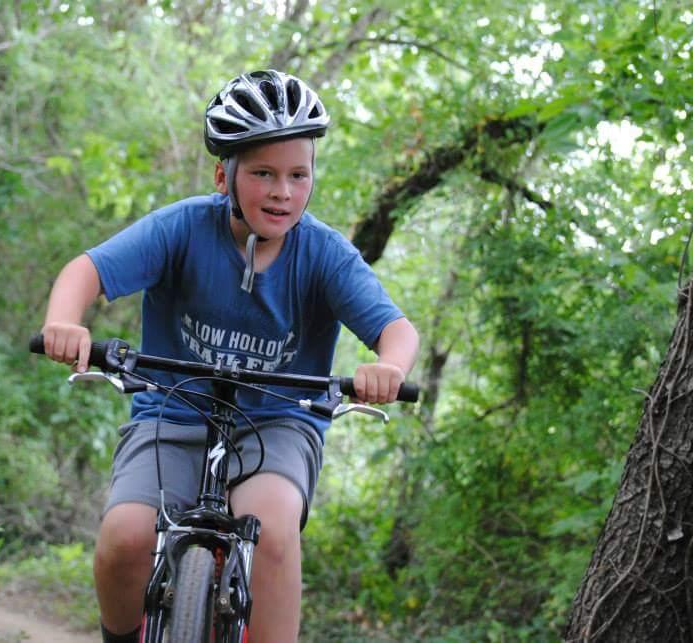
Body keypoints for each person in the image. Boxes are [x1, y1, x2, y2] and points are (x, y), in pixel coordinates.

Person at [40, 69, 419, 643]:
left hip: (279, 423)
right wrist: (64, 323)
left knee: (270, 530)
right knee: (125, 537)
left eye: (297, 175)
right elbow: (85, 271)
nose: (281, 191)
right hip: (170, 413)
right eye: (263, 173)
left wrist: (388, 368)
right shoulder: (183, 229)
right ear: (225, 175)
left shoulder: (324, 255)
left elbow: (395, 329)